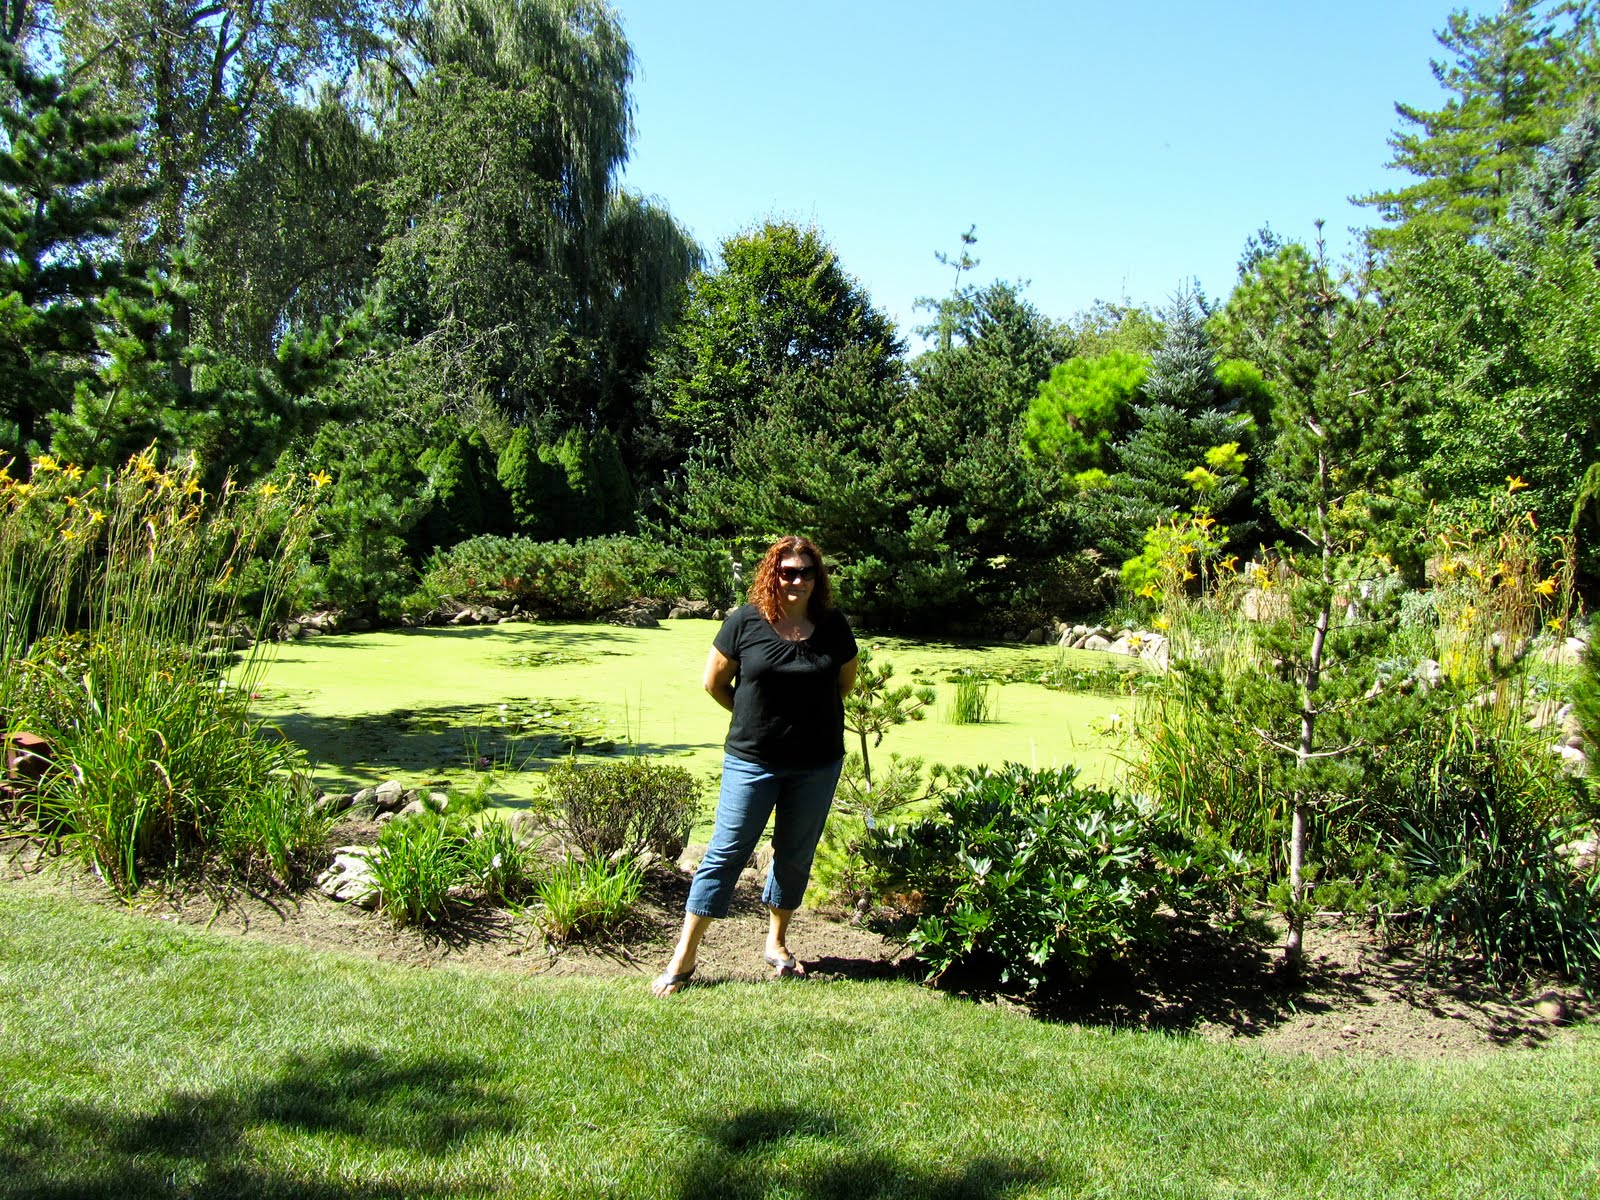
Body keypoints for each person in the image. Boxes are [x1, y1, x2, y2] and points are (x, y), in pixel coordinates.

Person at [651, 535, 858, 996]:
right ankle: (684, 957)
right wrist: (753, 719)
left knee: (794, 854)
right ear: (772, 574)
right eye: (787, 571)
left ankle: (777, 943)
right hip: (752, 762)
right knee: (725, 852)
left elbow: (841, 685)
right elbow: (714, 683)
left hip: (817, 763)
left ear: (817, 578)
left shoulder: (833, 626)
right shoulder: (744, 621)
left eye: (806, 572)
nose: (797, 580)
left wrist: (803, 723)